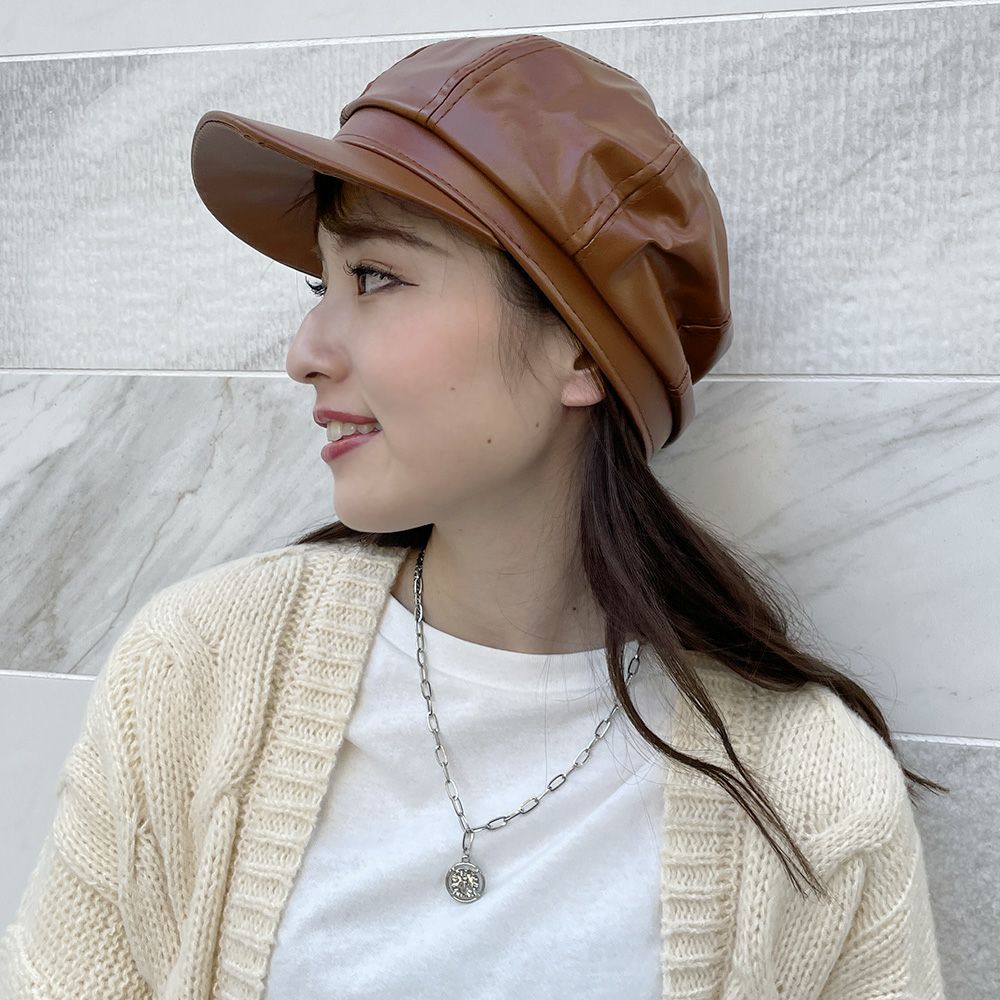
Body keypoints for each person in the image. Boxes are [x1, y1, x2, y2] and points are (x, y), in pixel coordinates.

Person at [1, 33, 947, 1000]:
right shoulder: (198, 672)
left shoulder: (812, 795)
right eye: (321, 284)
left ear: (580, 351)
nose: (304, 352)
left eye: (375, 277)